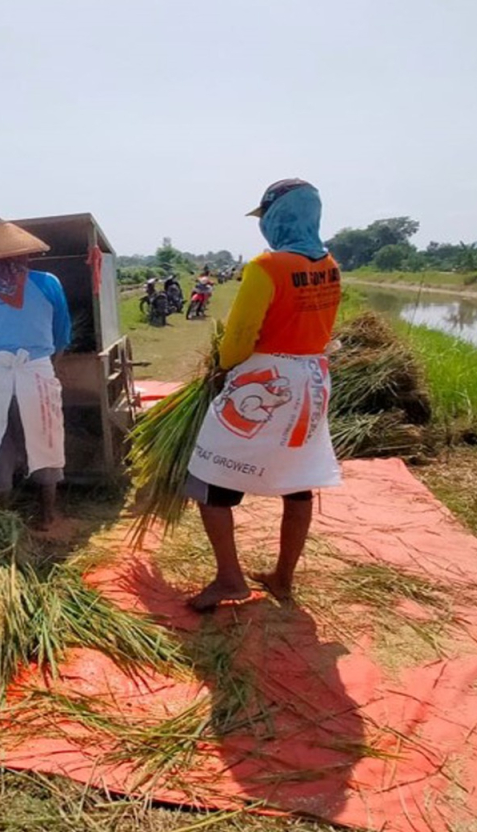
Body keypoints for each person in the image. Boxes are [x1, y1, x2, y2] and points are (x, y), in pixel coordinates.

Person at [182, 179, 343, 610]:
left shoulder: (266, 266)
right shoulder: (330, 264)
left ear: (277, 217)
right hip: (311, 381)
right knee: (298, 480)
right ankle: (283, 578)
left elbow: (239, 337)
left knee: (209, 475)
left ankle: (230, 579)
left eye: (266, 217)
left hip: (264, 380)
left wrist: (223, 367)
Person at [0, 220, 71, 529]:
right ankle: (48, 515)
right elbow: (62, 332)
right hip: (37, 372)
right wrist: (52, 362)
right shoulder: (48, 283)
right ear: (25, 256)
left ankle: (1, 515)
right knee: (44, 434)